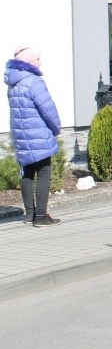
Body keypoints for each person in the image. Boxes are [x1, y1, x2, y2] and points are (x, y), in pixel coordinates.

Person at [4, 45, 62, 226]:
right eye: (37, 59)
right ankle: (41, 216)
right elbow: (47, 108)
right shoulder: (34, 81)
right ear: (29, 62)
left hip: (21, 134)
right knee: (44, 171)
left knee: (27, 172)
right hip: (38, 133)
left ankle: (29, 214)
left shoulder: (13, 82)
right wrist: (56, 128)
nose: (40, 62)